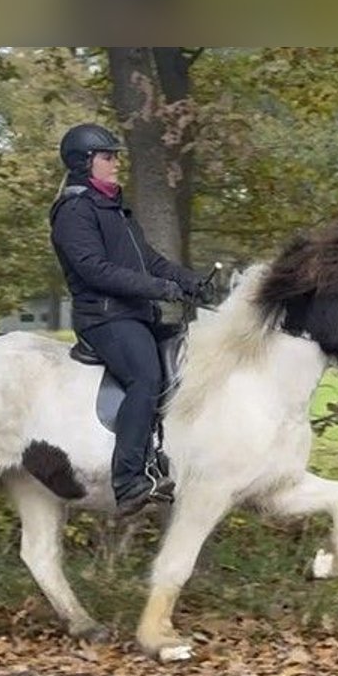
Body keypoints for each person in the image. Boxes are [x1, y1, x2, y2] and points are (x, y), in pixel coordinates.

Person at [49, 123, 212, 517]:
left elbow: (149, 259)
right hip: (104, 318)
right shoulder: (74, 211)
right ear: (84, 163)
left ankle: (169, 456)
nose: (116, 162)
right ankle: (128, 479)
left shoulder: (114, 207)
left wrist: (189, 282)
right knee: (145, 376)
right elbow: (95, 271)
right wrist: (160, 289)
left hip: (135, 314)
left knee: (189, 357)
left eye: (116, 155)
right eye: (108, 156)